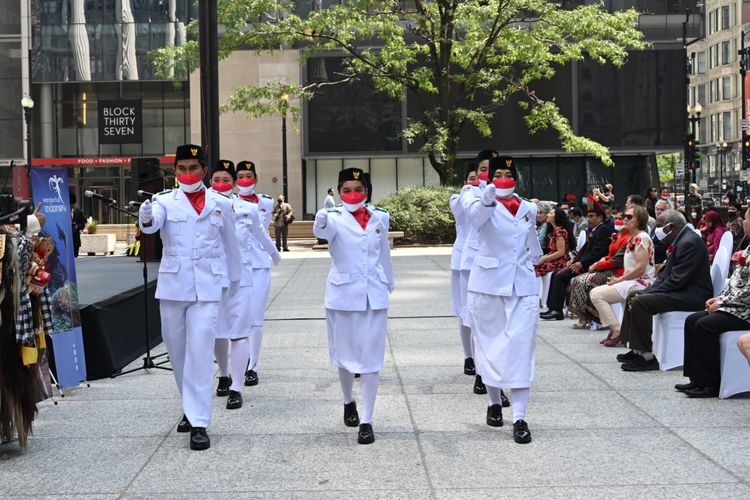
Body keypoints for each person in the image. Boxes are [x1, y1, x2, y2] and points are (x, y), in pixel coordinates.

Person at [138, 144, 242, 450]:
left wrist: (234, 282)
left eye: (193, 168)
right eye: (181, 169)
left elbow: (231, 246)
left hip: (208, 286)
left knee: (199, 349)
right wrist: (145, 216)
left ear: (204, 170)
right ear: (175, 171)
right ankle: (189, 405)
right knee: (177, 351)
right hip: (173, 286)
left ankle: (199, 422)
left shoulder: (220, 202)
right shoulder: (163, 201)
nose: (187, 174)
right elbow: (151, 225)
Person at [313, 167, 394, 445]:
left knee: (371, 359)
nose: (352, 194)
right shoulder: (333, 217)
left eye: (358, 189)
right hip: (343, 296)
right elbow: (322, 232)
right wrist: (320, 220)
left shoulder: (381, 216)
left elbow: (384, 253)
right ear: (337, 192)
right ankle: (348, 401)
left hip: (374, 295)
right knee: (345, 356)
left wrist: (389, 283)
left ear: (367, 191)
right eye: (346, 189)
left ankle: (368, 420)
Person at [465, 155, 541, 444]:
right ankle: (494, 402)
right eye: (497, 174)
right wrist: (486, 197)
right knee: (489, 346)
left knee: (521, 349)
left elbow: (532, 242)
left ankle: (520, 418)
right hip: (487, 286)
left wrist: (536, 260)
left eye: (508, 174)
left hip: (522, 286)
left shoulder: (528, 208)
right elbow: (476, 220)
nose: (503, 179)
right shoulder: (478, 202)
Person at [209, 160, 281, 409]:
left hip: (244, 277)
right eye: (217, 179)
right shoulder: (203, 206)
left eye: (227, 180)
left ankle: (237, 387)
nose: (222, 184)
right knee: (219, 333)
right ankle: (224, 375)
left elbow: (261, 233)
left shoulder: (246, 208)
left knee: (241, 331)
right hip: (215, 277)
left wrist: (275, 253)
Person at [617, 210, 713, 371]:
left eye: (660, 226)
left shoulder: (689, 242)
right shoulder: (682, 239)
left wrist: (647, 293)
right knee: (633, 294)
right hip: (681, 288)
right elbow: (667, 276)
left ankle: (647, 357)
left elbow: (677, 280)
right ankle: (636, 349)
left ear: (672, 227)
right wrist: (648, 290)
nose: (657, 230)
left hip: (692, 294)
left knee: (641, 301)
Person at [677, 207, 750, 397]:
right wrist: (720, 298)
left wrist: (724, 305)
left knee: (705, 325)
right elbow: (736, 283)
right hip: (735, 305)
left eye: (747, 218)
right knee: (692, 320)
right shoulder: (749, 247)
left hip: (745, 311)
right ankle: (696, 378)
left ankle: (711, 383)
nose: (743, 222)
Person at [232, 160, 276, 387]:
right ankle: (236, 364)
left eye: (249, 175)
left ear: (256, 179)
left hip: (259, 263)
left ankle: (253, 366)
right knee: (238, 317)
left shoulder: (267, 202)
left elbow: (263, 232)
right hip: (236, 265)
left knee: (256, 317)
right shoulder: (228, 202)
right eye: (240, 176)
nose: (245, 180)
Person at [590, 206, 655, 346]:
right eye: (624, 216)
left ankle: (617, 330)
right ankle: (618, 329)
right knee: (596, 291)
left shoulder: (642, 238)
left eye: (630, 217)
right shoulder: (634, 237)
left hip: (641, 283)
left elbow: (640, 268)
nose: (625, 219)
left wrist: (619, 279)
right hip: (631, 280)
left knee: (596, 294)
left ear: (640, 220)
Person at [540, 198, 614, 321]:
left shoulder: (603, 230)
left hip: (591, 265)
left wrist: (581, 263)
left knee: (560, 276)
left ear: (600, 218)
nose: (588, 218)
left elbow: (597, 253)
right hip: (582, 263)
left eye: (592, 216)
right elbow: (584, 250)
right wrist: (574, 261)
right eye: (588, 216)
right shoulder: (595, 230)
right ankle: (552, 308)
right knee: (556, 274)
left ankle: (557, 310)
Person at [567, 216, 629, 329]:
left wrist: (598, 264)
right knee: (579, 280)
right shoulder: (619, 236)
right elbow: (610, 255)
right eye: (620, 218)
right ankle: (584, 316)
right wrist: (603, 260)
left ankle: (595, 317)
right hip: (609, 268)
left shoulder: (627, 238)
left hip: (617, 272)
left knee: (583, 281)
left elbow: (617, 261)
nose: (621, 221)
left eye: (626, 218)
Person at [450, 164, 478, 377]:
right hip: (464, 262)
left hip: (488, 260)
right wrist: (470, 190)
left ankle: (482, 359)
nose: (476, 180)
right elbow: (461, 210)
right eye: (471, 177)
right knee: (464, 311)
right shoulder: (458, 198)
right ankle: (469, 357)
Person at [535, 207, 575, 277]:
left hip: (559, 262)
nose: (547, 215)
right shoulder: (557, 230)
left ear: (557, 217)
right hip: (558, 260)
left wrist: (544, 258)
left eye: (551, 213)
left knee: (535, 269)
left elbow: (561, 252)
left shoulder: (559, 231)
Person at [70, 193, 86, 258]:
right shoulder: (64, 212)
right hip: (66, 241)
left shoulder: (79, 212)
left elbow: (82, 225)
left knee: (75, 259)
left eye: (72, 204)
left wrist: (76, 226)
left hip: (75, 240)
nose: (71, 206)